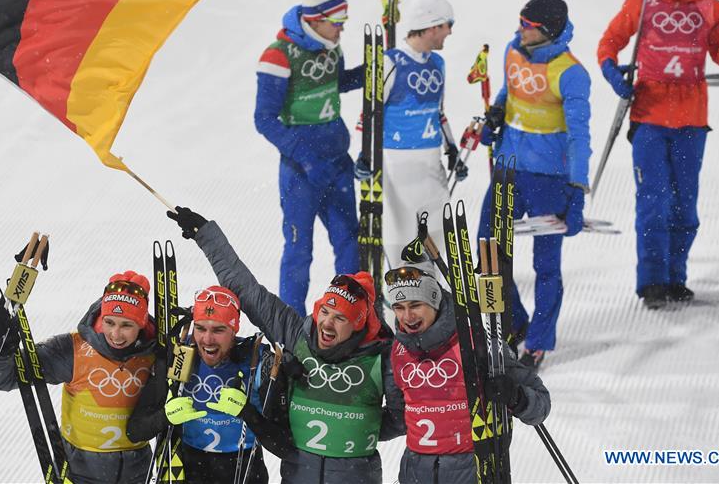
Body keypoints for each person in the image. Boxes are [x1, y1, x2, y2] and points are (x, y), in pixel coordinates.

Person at [167, 206, 405, 484]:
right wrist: (206, 235)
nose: (327, 324)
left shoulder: (381, 356)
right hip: (299, 476)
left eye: (340, 318)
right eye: (324, 312)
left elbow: (402, 418)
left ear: (358, 324)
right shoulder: (297, 336)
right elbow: (247, 291)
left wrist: (358, 427)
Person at [597, 0, 719, 309]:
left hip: (691, 120)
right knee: (654, 201)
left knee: (684, 203)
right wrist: (613, 73)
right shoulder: (641, 3)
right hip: (649, 117)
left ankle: (675, 279)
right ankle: (652, 282)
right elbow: (609, 42)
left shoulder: (710, 7)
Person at [477, 0, 591, 371]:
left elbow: (579, 136)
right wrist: (495, 113)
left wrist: (577, 190)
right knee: (489, 253)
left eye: (528, 25)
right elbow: (509, 90)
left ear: (548, 31)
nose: (520, 29)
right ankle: (510, 323)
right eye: (521, 22)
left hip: (549, 178)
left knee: (546, 266)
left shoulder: (571, 74)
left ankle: (538, 343)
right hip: (508, 168)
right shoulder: (514, 49)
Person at [383, 260, 551, 483]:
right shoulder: (398, 352)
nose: (407, 316)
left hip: (472, 471)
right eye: (399, 307)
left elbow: (541, 404)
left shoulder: (475, 343)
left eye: (415, 305)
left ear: (434, 301)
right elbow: (398, 418)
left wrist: (515, 396)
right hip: (415, 474)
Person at [0, 272, 158, 484]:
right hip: (78, 474)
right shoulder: (72, 350)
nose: (115, 334)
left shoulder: (156, 352)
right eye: (109, 322)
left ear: (141, 324)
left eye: (126, 325)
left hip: (139, 475)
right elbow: (3, 378)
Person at [255, 0, 365, 316]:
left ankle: (351, 314)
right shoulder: (278, 55)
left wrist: (367, 73)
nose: (341, 30)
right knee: (299, 248)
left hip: (337, 162)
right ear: (315, 20)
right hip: (301, 171)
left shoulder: (331, 46)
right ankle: (292, 323)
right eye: (337, 23)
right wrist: (305, 157)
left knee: (349, 240)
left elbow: (335, 83)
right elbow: (264, 118)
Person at [127, 286, 290, 484]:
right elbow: (135, 431)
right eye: (200, 328)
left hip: (244, 473)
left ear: (234, 329)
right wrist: (165, 416)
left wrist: (248, 413)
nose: (207, 339)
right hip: (189, 474)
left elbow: (285, 447)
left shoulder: (259, 362)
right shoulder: (179, 356)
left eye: (218, 330)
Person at [354, 0, 464, 269]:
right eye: (447, 25)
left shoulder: (438, 64)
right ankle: (401, 296)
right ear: (431, 26)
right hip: (396, 166)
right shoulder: (389, 63)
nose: (450, 32)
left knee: (439, 243)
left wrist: (452, 149)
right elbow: (367, 116)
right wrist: (363, 156)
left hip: (431, 165)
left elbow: (438, 112)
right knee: (402, 247)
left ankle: (435, 296)